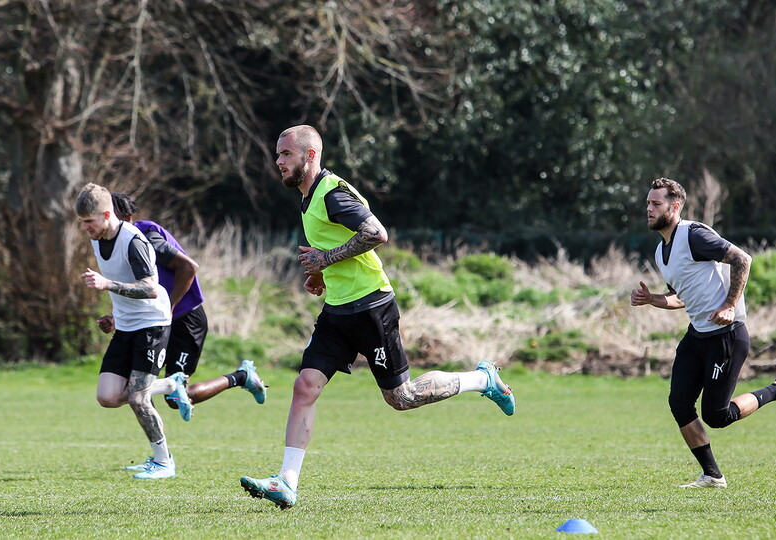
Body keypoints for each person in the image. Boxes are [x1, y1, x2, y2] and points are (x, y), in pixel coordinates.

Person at [239, 125, 516, 509]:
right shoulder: (309, 197)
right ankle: (287, 481)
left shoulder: (332, 194)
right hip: (337, 311)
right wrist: (320, 273)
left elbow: (376, 233)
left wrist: (325, 260)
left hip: (371, 307)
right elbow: (333, 242)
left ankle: (482, 378)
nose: (279, 161)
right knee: (305, 385)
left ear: (310, 155)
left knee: (401, 398)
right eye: (278, 154)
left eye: (286, 154)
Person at [631, 177, 776, 489]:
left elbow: (742, 259)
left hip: (727, 336)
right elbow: (681, 296)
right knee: (679, 404)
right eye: (647, 203)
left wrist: (729, 303)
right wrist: (652, 300)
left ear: (675, 206)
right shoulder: (661, 251)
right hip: (697, 335)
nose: (649, 208)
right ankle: (712, 476)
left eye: (655, 203)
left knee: (718, 416)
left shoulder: (694, 234)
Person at [106, 193, 266, 441]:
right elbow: (136, 288)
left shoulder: (145, 235)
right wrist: (116, 317)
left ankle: (241, 377)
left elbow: (188, 267)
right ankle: (159, 455)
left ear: (126, 217)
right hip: (153, 322)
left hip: (185, 319)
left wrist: (168, 307)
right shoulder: (114, 247)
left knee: (173, 396)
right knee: (135, 385)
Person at [75, 182, 193, 480]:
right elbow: (121, 279)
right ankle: (170, 385)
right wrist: (113, 315)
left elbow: (151, 289)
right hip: (126, 325)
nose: (85, 228)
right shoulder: (97, 237)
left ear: (106, 214)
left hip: (152, 324)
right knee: (108, 396)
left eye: (89, 222)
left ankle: (164, 462)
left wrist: (107, 285)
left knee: (139, 398)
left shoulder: (134, 241)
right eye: (82, 223)